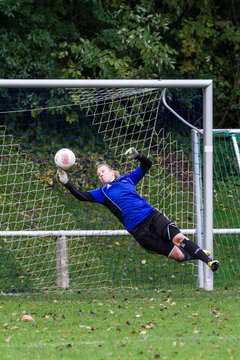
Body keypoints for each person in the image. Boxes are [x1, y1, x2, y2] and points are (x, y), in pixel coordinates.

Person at [57, 147, 219, 272]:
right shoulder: (102, 193)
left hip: (152, 216)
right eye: (98, 174)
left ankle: (209, 262)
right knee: (178, 255)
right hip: (139, 231)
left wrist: (139, 156)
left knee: (179, 239)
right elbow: (82, 196)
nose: (100, 175)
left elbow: (147, 165)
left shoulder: (128, 179)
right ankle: (198, 254)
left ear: (112, 171)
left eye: (103, 171)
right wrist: (67, 184)